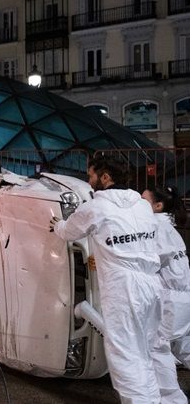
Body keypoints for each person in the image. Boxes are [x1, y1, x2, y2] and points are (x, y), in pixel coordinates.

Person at [49, 157, 164, 403]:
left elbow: (69, 232)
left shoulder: (96, 207)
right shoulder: (142, 205)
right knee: (146, 352)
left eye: (90, 176)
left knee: (126, 357)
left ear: (104, 177)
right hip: (152, 285)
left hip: (124, 288)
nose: (88, 182)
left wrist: (58, 225)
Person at [142, 186, 190, 396]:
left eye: (143, 200)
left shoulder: (155, 226)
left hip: (171, 299)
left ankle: (172, 398)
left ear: (158, 206)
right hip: (183, 297)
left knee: (158, 348)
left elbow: (149, 261)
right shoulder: (169, 226)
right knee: (184, 346)